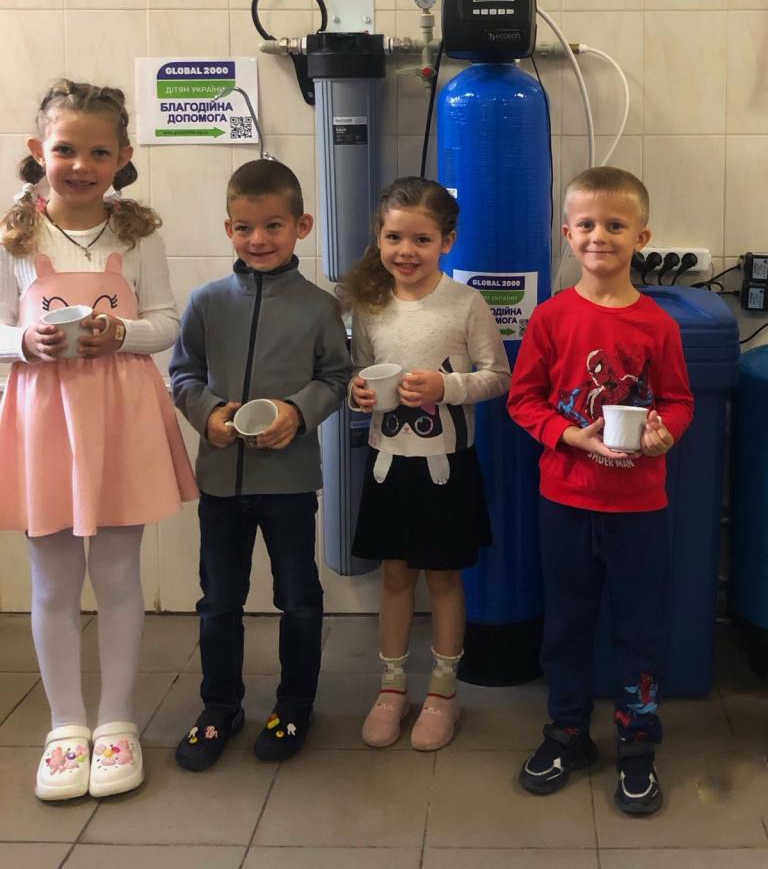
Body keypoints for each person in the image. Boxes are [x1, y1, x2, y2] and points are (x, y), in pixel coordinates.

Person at [0, 79, 197, 801]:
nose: (79, 163)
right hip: (42, 417)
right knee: (51, 580)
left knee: (117, 576)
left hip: (121, 413)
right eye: (64, 149)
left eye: (97, 151)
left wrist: (127, 333)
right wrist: (25, 340)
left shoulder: (138, 235)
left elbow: (170, 321)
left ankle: (116, 722)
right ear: (36, 152)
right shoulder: (13, 235)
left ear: (122, 157)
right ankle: (64, 726)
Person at [507, 166, 694, 815]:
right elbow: (523, 400)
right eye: (586, 224)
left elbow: (677, 400)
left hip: (641, 509)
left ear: (642, 235)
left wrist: (666, 432)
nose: (599, 236)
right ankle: (566, 733)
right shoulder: (552, 319)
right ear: (566, 233)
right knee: (567, 624)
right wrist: (571, 438)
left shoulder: (658, 327)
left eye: (615, 225)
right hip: (564, 500)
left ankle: (638, 745)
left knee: (640, 629)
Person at [170, 158, 350, 769]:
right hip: (221, 480)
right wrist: (209, 411)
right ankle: (219, 705)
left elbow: (337, 377)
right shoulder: (206, 302)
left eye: (273, 226)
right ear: (228, 230)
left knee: (298, 597)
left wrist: (299, 412)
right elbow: (183, 375)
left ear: (301, 225)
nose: (259, 240)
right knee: (219, 600)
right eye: (245, 228)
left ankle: (295, 703)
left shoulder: (319, 308)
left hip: (291, 481)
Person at [342, 177, 510, 752]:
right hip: (389, 464)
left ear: (448, 241)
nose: (405, 251)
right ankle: (393, 688)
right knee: (395, 574)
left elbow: (498, 377)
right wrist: (357, 395)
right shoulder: (370, 305)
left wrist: (447, 385)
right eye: (394, 237)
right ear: (379, 238)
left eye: (421, 238)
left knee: (442, 577)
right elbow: (358, 373)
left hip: (446, 465)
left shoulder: (465, 303)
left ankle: (443, 691)